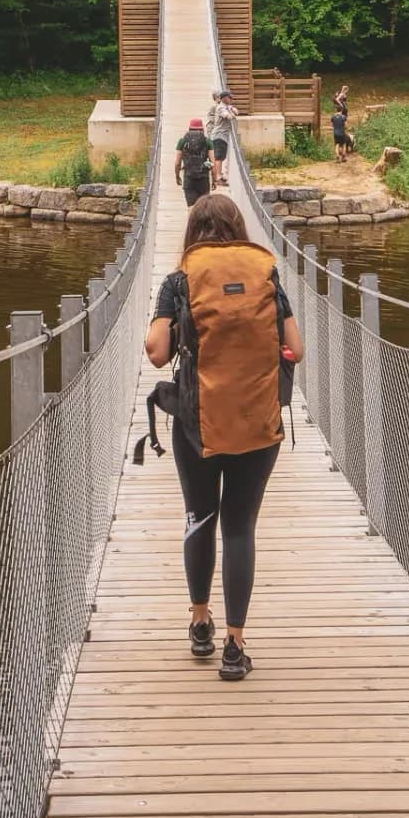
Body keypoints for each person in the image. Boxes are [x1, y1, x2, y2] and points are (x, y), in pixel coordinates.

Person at [145, 193, 305, 681]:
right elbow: (295, 350)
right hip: (258, 421)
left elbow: (156, 353)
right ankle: (235, 645)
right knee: (240, 526)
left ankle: (199, 622)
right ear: (239, 227)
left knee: (200, 517)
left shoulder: (179, 281)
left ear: (192, 231)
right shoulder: (267, 275)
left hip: (197, 422)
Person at [175, 118, 213, 206]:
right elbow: (212, 162)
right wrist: (214, 179)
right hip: (204, 179)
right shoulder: (208, 141)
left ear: (189, 128)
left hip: (189, 178)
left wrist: (177, 176)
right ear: (202, 129)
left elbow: (177, 163)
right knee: (204, 208)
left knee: (191, 207)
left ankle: (191, 219)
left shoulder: (182, 141)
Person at [205, 89, 239, 187]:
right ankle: (218, 178)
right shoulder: (220, 108)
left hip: (222, 136)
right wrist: (231, 114)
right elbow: (227, 116)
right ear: (224, 98)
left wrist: (233, 109)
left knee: (221, 157)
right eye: (229, 97)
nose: (231, 99)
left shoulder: (226, 106)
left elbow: (232, 109)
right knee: (218, 158)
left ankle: (218, 176)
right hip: (219, 135)